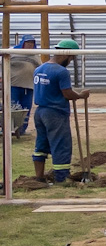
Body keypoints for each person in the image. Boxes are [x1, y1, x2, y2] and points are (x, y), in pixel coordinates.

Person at [32, 38, 89, 183]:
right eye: (72, 58)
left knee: (41, 144)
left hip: (40, 112)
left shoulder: (39, 69)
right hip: (55, 113)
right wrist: (81, 95)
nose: (71, 61)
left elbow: (54, 89)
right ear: (66, 55)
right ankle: (62, 178)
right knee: (60, 144)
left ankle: (39, 177)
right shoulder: (61, 71)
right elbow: (67, 94)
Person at [9, 34, 40, 138]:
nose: (30, 45)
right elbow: (3, 64)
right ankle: (11, 129)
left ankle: (22, 129)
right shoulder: (12, 52)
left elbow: (40, 68)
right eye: (28, 43)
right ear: (23, 43)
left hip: (29, 86)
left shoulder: (35, 55)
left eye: (32, 43)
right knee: (13, 107)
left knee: (26, 108)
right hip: (14, 85)